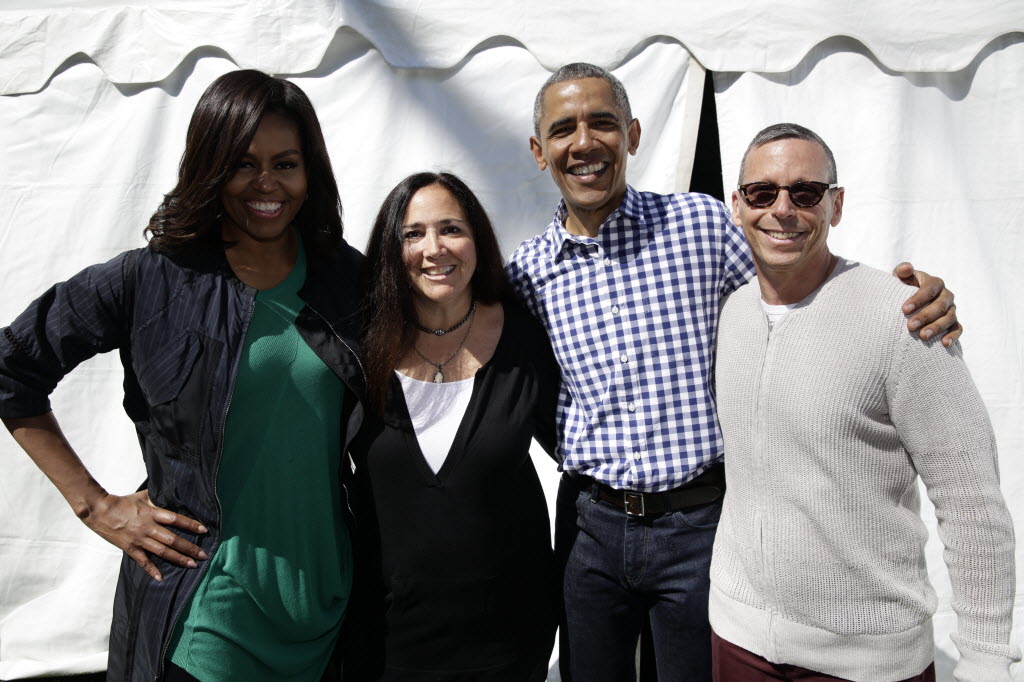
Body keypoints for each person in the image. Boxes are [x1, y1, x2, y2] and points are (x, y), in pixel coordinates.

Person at [504, 63, 964, 682]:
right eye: (563, 130)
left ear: (633, 135)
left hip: (700, 527)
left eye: (603, 123)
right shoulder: (526, 272)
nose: (584, 143)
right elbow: (518, 386)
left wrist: (900, 300)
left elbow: (796, 282)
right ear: (540, 152)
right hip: (590, 526)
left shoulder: (700, 224)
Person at [0, 70, 366, 681]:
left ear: (311, 173)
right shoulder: (151, 280)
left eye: (286, 164)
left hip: (328, 606)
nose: (267, 183)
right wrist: (95, 506)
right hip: (208, 608)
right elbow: (11, 368)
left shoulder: (347, 280)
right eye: (243, 163)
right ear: (210, 166)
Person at [710, 123, 1019, 681]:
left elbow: (970, 498)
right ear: (738, 205)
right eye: (762, 192)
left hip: (868, 659)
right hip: (738, 640)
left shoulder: (904, 319)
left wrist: (984, 657)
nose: (782, 209)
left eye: (806, 192)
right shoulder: (732, 313)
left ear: (836, 204)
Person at [349, 171, 559, 681]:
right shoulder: (357, 344)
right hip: (385, 641)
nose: (434, 248)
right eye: (413, 234)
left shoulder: (526, 335)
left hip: (509, 640)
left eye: (451, 229)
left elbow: (584, 446)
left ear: (477, 240)